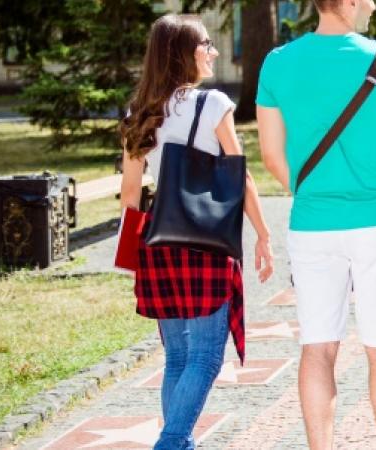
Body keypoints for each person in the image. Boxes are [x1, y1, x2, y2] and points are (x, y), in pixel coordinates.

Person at [255, 0, 376, 448]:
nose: (373, 3)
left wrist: (314, 193)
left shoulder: (277, 63)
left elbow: (271, 154)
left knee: (318, 346)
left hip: (311, 224)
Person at [118, 14, 274, 450]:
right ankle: (171, 442)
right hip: (206, 241)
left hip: (157, 239)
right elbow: (240, 178)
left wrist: (131, 257)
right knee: (205, 355)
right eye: (206, 43)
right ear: (183, 53)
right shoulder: (213, 105)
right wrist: (263, 234)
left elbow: (130, 194)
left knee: (179, 356)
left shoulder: (138, 112)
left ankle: (177, 441)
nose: (214, 51)